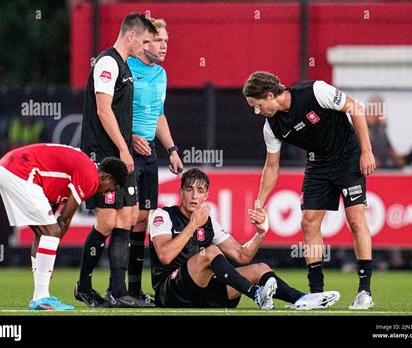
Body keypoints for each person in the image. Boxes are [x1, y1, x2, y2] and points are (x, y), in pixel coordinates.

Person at [243, 71, 376, 310]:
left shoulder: (315, 91)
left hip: (348, 158)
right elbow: (272, 167)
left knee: (356, 220)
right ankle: (317, 294)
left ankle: (364, 291)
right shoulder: (271, 127)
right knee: (308, 223)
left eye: (258, 105)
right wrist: (260, 202)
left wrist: (366, 151)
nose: (257, 111)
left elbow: (355, 108)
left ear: (271, 95)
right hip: (317, 164)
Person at [149, 168, 340, 310]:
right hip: (170, 293)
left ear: (206, 195)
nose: (194, 196)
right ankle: (256, 294)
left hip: (202, 294)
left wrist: (261, 232)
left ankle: (302, 299)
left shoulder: (209, 223)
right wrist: (192, 225)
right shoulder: (164, 215)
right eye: (189, 190)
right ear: (180, 192)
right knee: (211, 252)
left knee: (260, 269)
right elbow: (165, 256)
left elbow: (242, 255)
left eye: (200, 191)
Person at [75, 13, 157, 308]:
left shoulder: (123, 66)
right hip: (104, 156)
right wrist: (123, 148)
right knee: (108, 219)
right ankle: (83, 286)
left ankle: (117, 291)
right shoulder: (108, 63)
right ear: (130, 35)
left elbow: (119, 113)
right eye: (145, 41)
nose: (146, 47)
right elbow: (103, 110)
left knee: (129, 216)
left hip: (122, 153)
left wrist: (129, 141)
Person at [0, 143, 127, 310]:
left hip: (6, 168)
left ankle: (39, 296)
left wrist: (45, 264)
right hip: (19, 171)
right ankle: (42, 298)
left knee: (46, 233)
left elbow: (48, 232)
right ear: (106, 177)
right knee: (51, 232)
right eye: (111, 188)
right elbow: (63, 220)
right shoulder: (91, 177)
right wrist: (49, 261)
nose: (108, 193)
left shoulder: (77, 173)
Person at [126, 18, 183, 305]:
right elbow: (106, 112)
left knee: (143, 220)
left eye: (166, 42)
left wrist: (171, 149)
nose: (163, 46)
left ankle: (134, 290)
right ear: (144, 41)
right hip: (125, 150)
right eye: (159, 40)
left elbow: (158, 115)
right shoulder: (125, 67)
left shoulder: (160, 74)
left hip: (149, 152)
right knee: (124, 217)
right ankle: (116, 288)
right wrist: (130, 136)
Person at [365, 96, 399, 169]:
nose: (382, 113)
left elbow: (390, 149)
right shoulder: (361, 127)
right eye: (381, 110)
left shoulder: (380, 128)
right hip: (370, 169)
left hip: (385, 167)